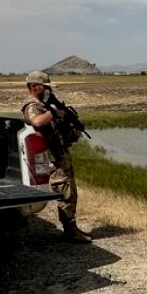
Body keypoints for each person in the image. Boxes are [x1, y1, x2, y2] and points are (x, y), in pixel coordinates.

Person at [22, 70, 93, 244]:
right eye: (45, 87)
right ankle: (70, 231)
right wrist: (53, 112)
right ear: (34, 87)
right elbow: (36, 122)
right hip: (53, 158)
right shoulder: (32, 106)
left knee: (69, 191)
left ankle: (72, 228)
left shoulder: (44, 105)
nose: (48, 91)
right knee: (64, 192)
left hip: (60, 155)